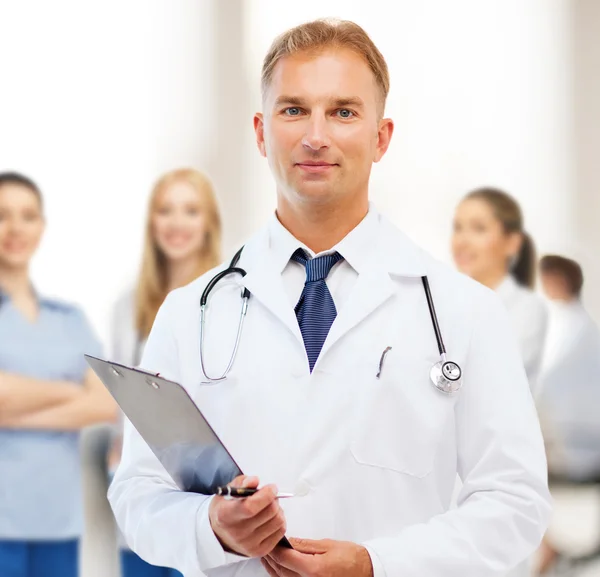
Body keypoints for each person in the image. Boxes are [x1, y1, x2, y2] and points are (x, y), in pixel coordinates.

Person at [109, 19, 552, 577]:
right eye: (293, 110)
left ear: (381, 137)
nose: (315, 135)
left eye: (343, 112)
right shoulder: (188, 313)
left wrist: (378, 564)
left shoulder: (466, 313)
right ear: (261, 132)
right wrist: (212, 529)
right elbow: (137, 495)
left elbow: (516, 503)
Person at [0, 172, 117, 577]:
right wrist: (70, 391)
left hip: (58, 523)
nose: (15, 228)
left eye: (27, 216)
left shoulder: (69, 320)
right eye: (3, 215)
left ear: (41, 227)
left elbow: (106, 402)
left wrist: (15, 411)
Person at [107, 168, 222, 577]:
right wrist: (119, 446)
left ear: (209, 223)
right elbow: (122, 390)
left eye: (190, 211)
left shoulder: (229, 300)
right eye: (165, 210)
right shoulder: (128, 307)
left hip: (205, 493)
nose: (176, 223)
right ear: (151, 222)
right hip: (144, 487)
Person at [535, 256, 600, 574]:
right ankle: (547, 547)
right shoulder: (579, 325)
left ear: (557, 281)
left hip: (573, 444)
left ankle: (545, 549)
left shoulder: (565, 328)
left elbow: (545, 389)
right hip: (575, 438)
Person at [452, 187, 548, 396]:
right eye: (458, 228)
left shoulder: (527, 309)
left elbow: (488, 382)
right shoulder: (444, 301)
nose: (461, 241)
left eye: (478, 229)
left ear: (512, 243)